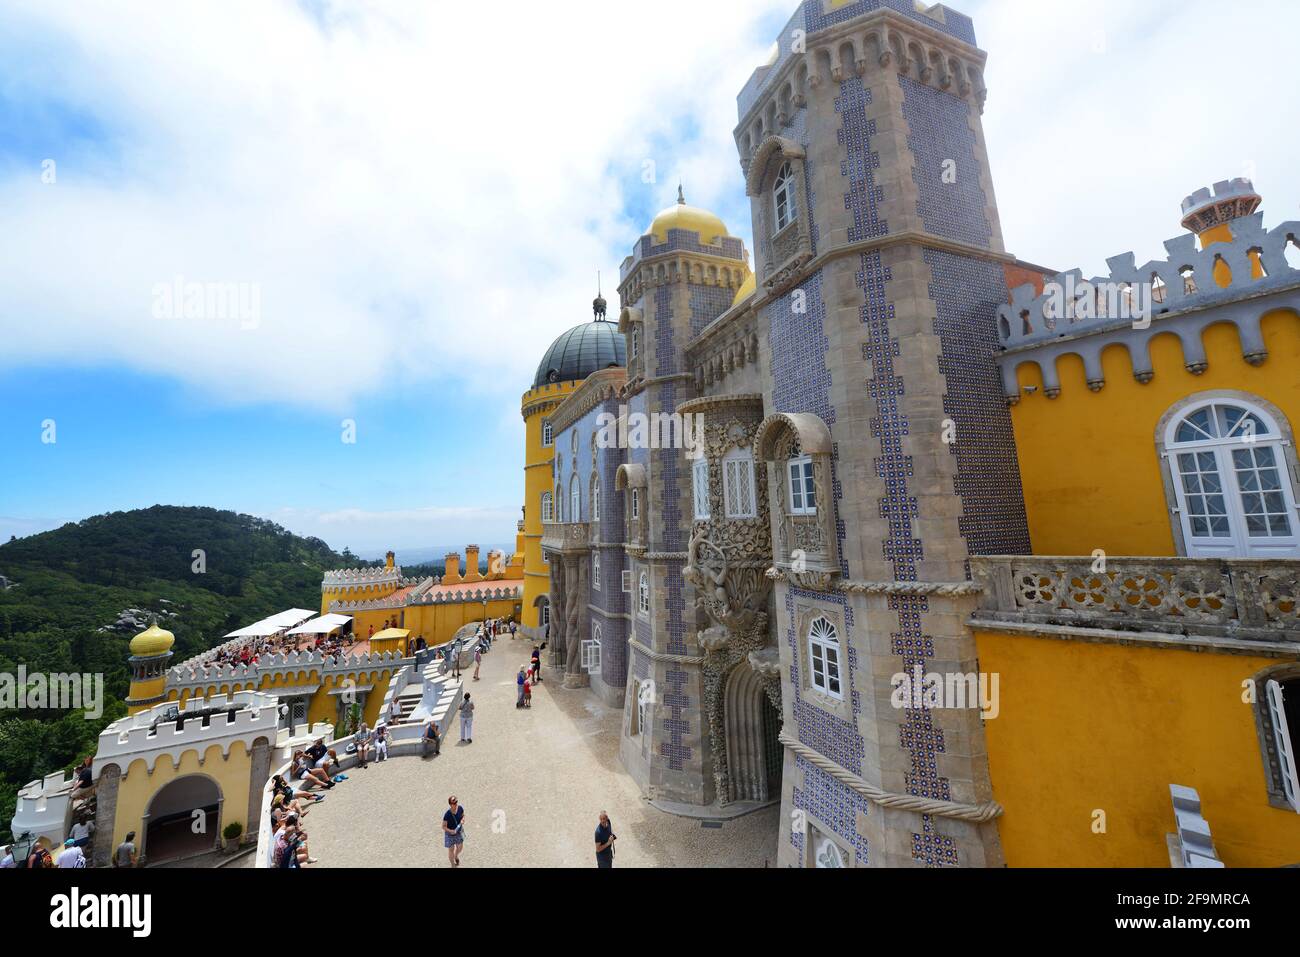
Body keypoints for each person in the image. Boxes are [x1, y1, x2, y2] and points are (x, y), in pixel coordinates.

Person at [442, 796, 465, 867]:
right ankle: (452, 864)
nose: (455, 804)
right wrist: (451, 831)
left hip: (458, 832)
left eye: (456, 802)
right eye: (454, 803)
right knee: (451, 849)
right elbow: (443, 826)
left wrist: (463, 820)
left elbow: (463, 815)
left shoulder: (460, 808)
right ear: (450, 804)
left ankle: (456, 856)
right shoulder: (447, 815)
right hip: (450, 834)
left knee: (460, 847)